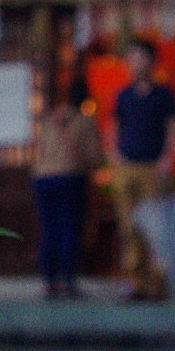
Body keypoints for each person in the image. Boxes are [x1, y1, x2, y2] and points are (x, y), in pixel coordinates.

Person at [109, 39, 175, 300]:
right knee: (129, 227)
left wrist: (166, 160)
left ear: (151, 61)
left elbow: (173, 130)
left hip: (153, 167)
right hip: (126, 167)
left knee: (156, 227)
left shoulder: (164, 94)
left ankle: (157, 284)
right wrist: (115, 156)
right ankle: (135, 282)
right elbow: (115, 128)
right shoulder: (123, 95)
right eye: (131, 58)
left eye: (139, 57)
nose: (134, 63)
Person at [30, 76, 105, 299]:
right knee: (69, 228)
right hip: (71, 178)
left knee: (48, 229)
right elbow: (95, 156)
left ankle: (49, 281)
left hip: (43, 178)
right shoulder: (85, 121)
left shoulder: (49, 119)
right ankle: (68, 281)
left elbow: (39, 150)